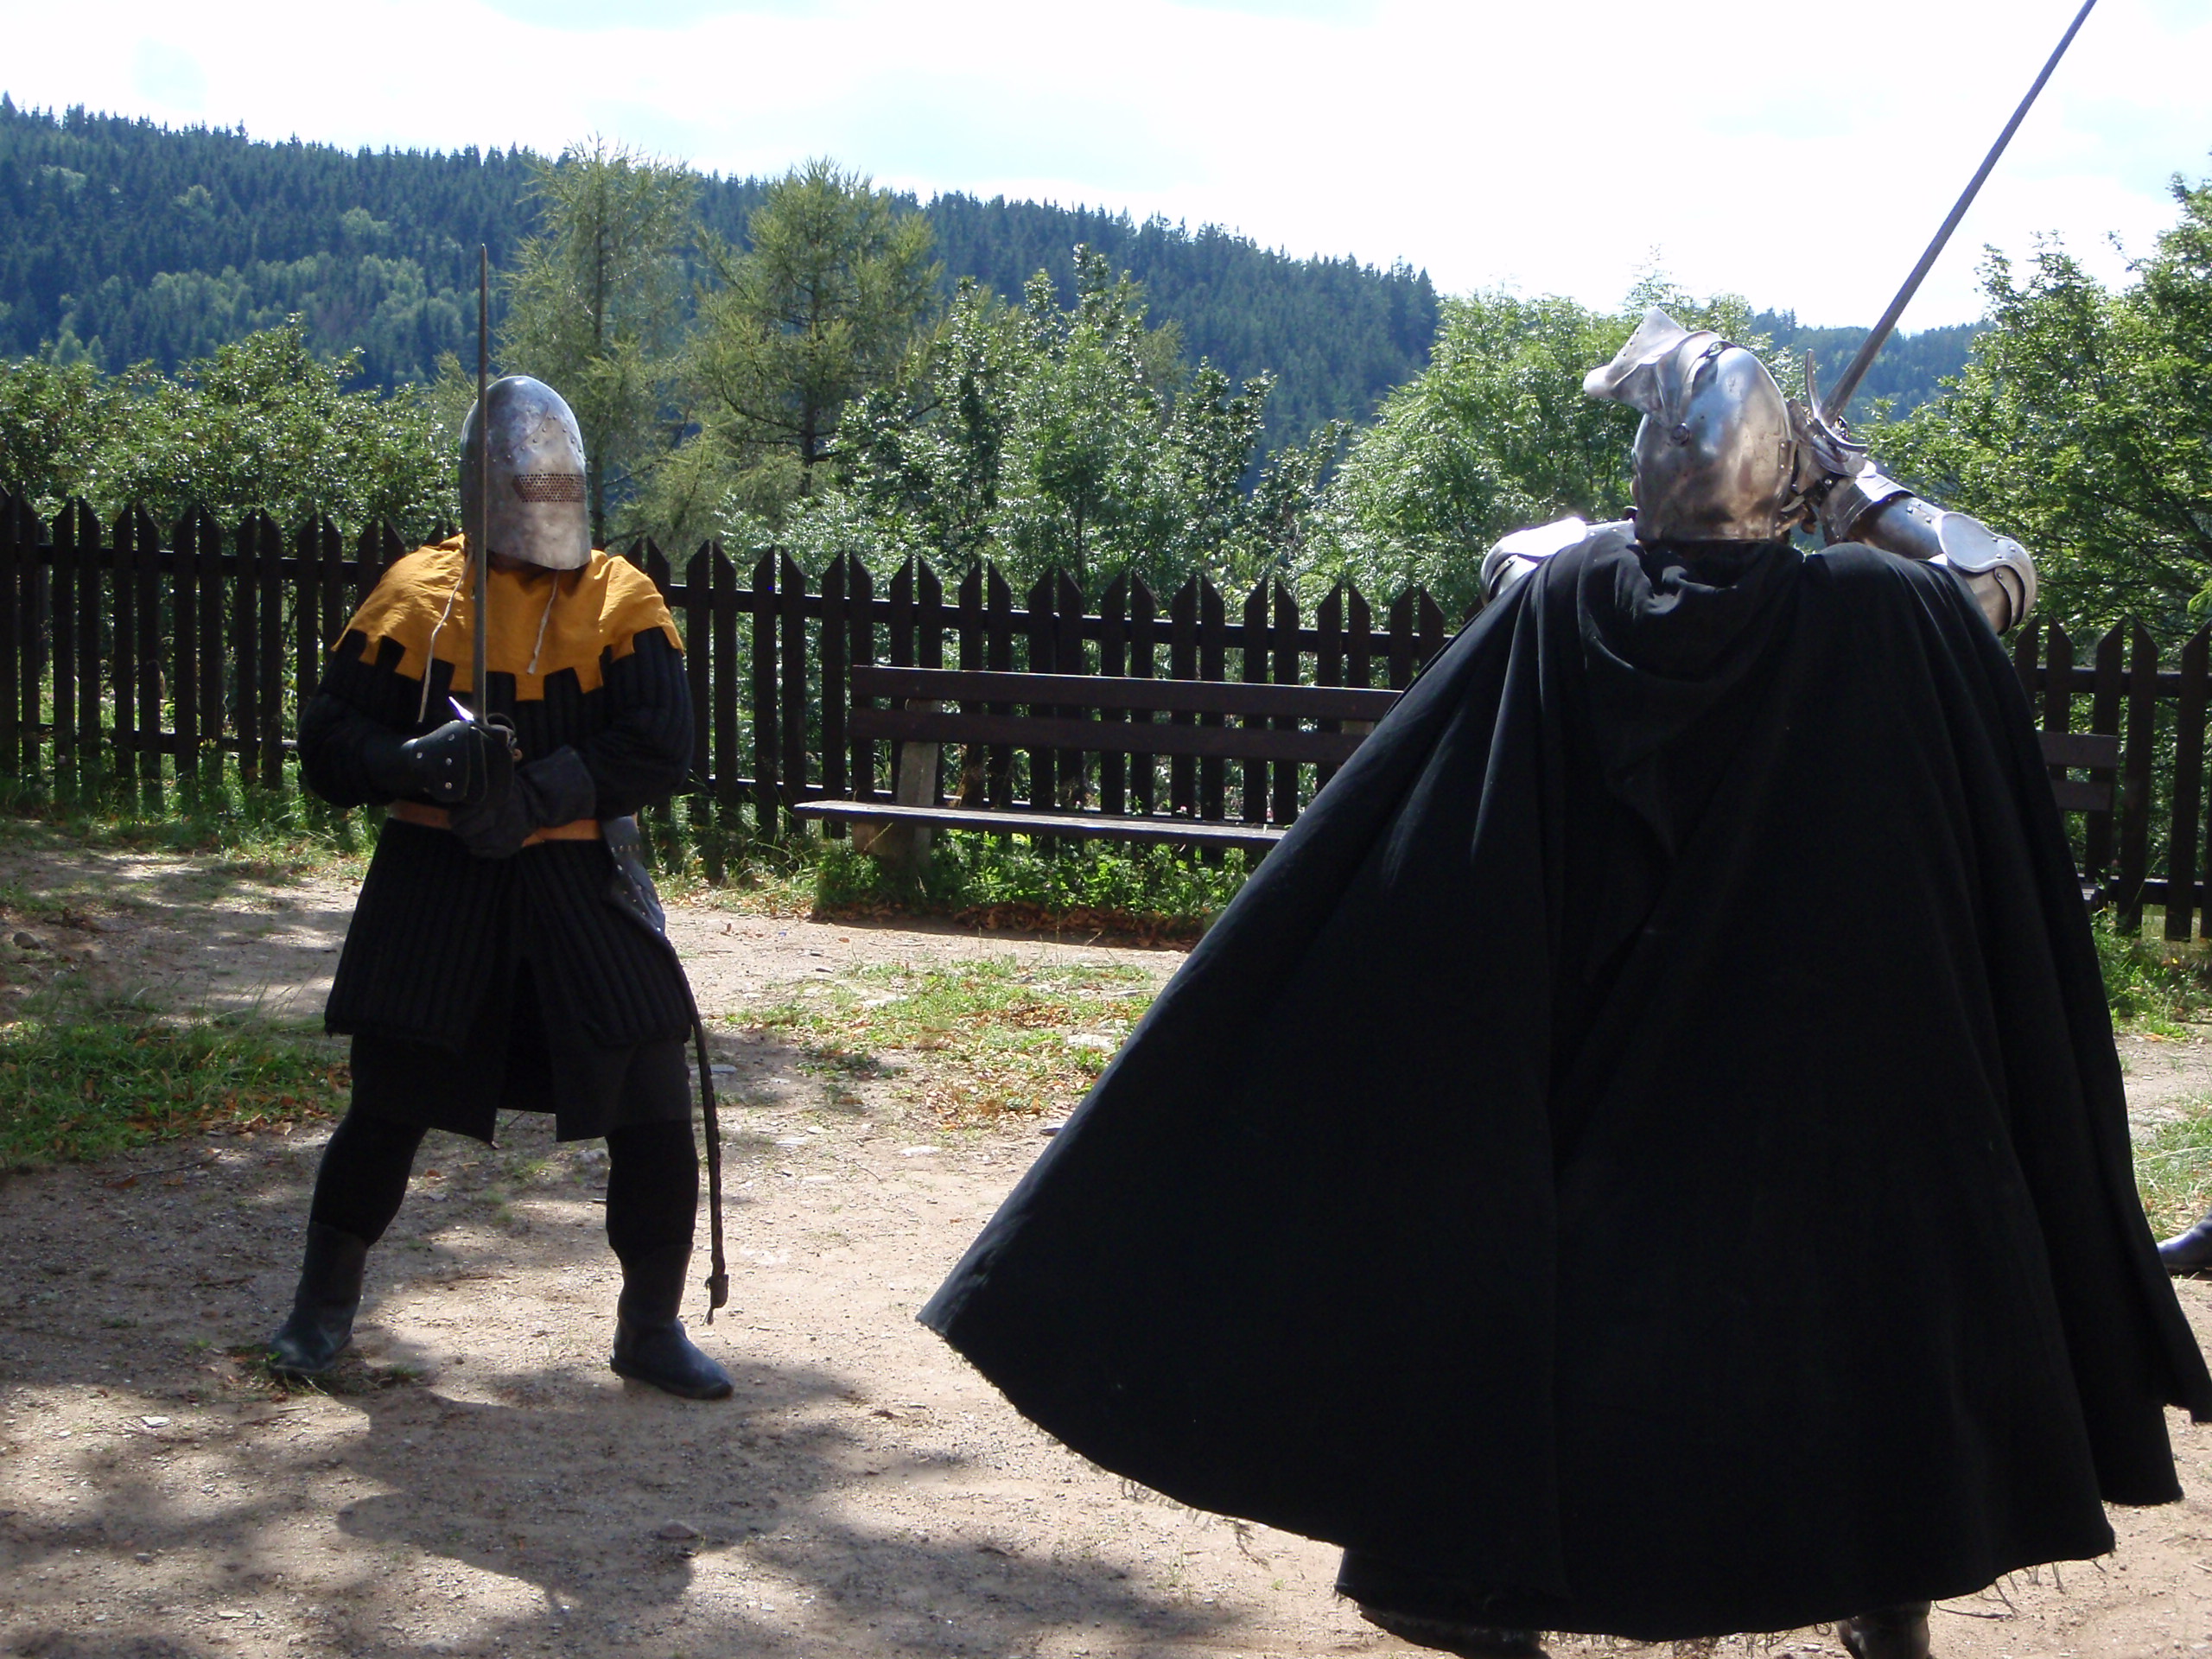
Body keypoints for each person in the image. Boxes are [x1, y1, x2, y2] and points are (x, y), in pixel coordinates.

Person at [918, 311, 2212, 1657]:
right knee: (1867, 1301)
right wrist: (1856, 487)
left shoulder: (1565, 593)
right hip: (1813, 1065)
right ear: (1785, 488)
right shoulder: (1878, 611)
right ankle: (1887, 1597)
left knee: (1554, 1294)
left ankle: (1480, 1587)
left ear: (1650, 472)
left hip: (1596, 1041)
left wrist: (1678, 517)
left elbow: (1517, 556)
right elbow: (1998, 575)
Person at [265, 375, 731, 1401]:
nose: (540, 497)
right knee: (386, 1105)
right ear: (483, 486)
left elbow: (660, 745)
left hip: (581, 881)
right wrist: (414, 762)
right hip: (436, 885)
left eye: (554, 480)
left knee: (653, 1102)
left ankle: (650, 1328)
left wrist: (540, 793)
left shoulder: (619, 598)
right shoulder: (418, 595)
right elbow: (328, 743)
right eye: (522, 480)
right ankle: (320, 1311)